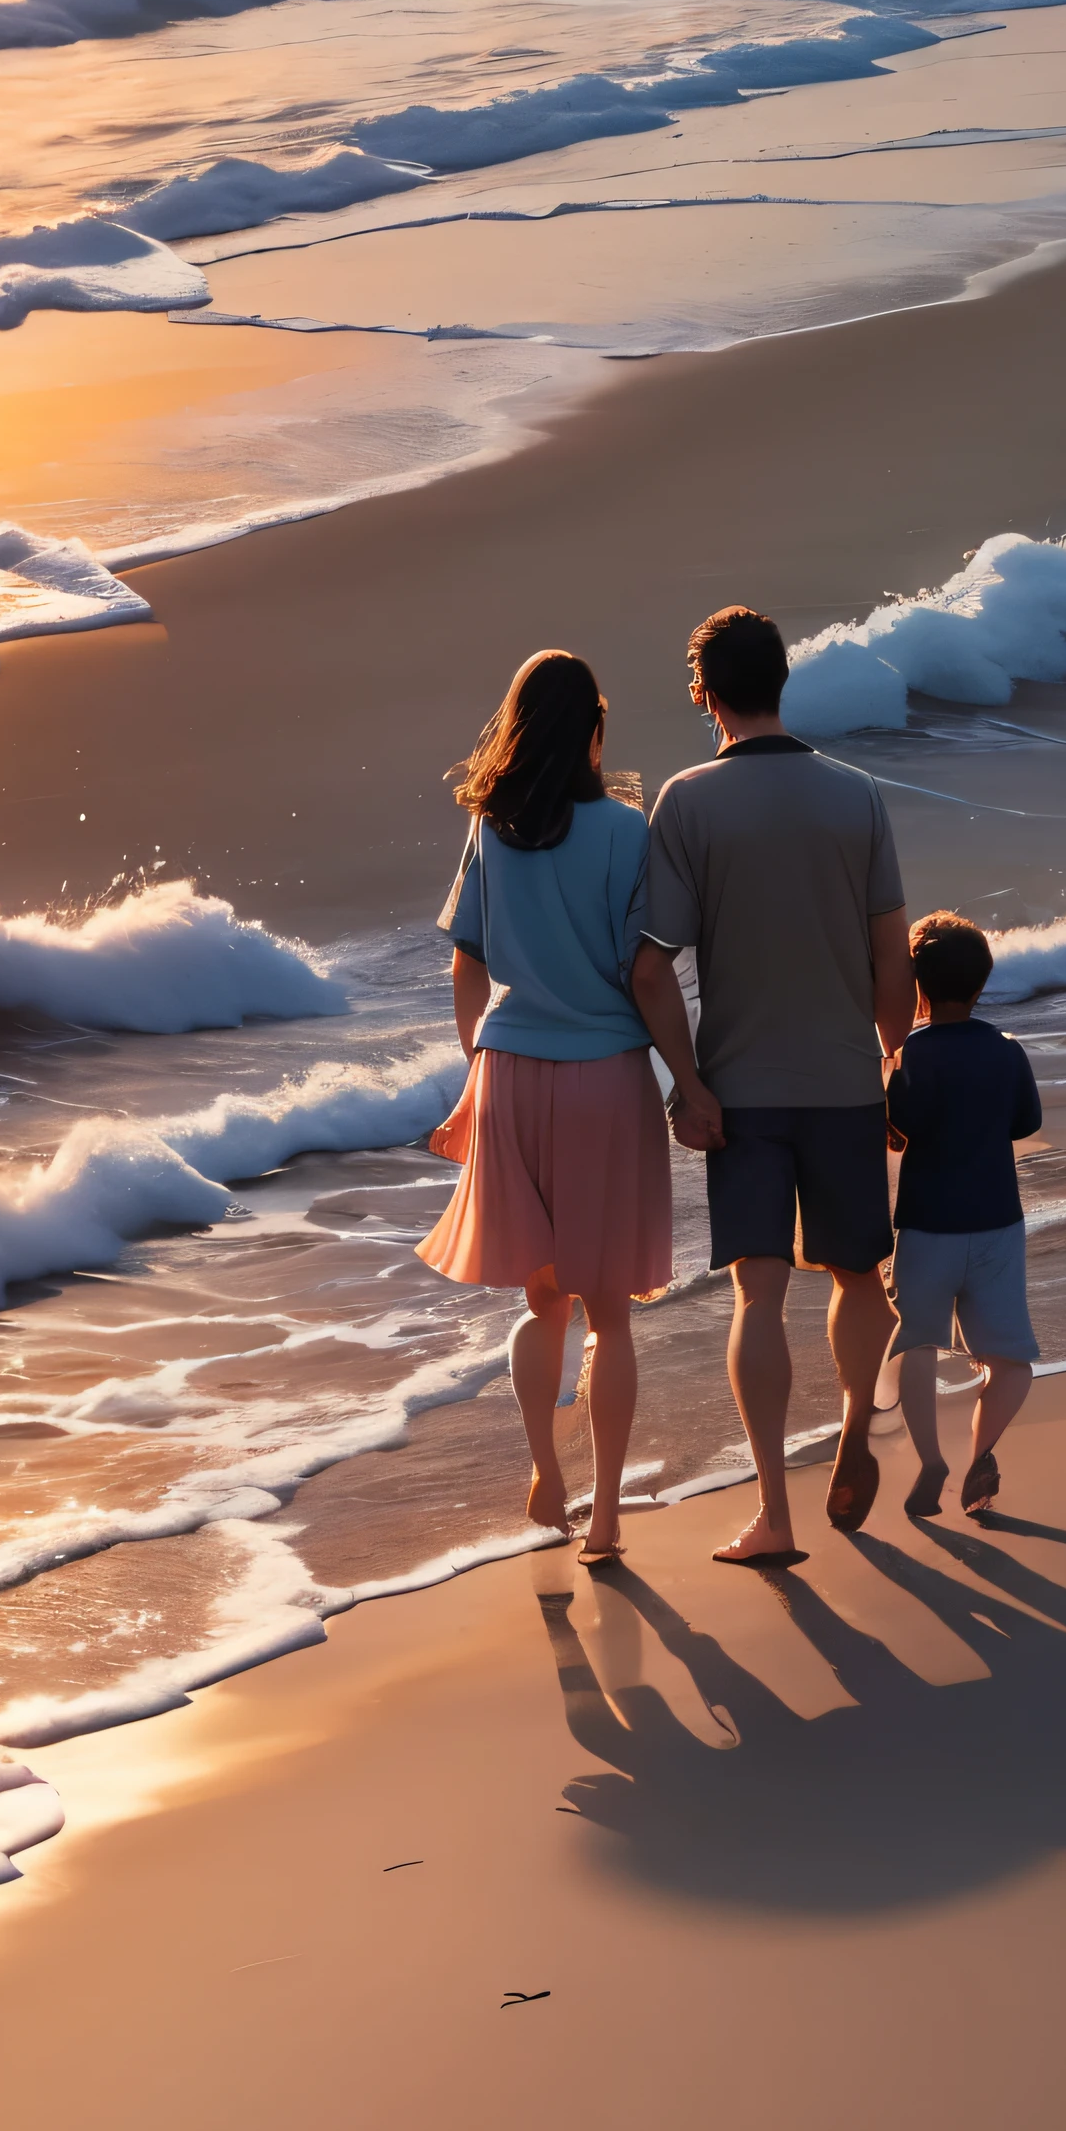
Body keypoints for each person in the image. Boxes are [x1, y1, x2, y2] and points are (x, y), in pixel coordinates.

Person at [628, 605, 913, 1567]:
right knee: (859, 1275)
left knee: (758, 1293)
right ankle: (849, 1433)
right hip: (843, 1079)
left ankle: (774, 1518)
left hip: (743, 1088)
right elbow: (891, 956)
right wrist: (894, 1062)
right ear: (783, 681)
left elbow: (652, 966)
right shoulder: (858, 795)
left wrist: (689, 1082)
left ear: (703, 690)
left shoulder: (687, 801)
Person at [418, 648, 690, 1564]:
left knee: (544, 1303)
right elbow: (645, 975)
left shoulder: (491, 831)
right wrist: (689, 1081)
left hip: (511, 1074)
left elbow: (468, 962)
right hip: (606, 1074)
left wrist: (479, 1068)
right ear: (593, 732)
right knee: (612, 1313)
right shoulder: (626, 832)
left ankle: (546, 1472)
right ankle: (606, 1517)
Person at [883, 910, 1043, 1524]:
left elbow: (902, 1125)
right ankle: (984, 1451)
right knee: (1010, 1361)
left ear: (917, 987)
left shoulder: (913, 1054)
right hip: (998, 1222)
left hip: (926, 1226)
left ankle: (931, 1460)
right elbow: (1025, 1123)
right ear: (982, 985)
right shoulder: (1006, 1050)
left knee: (918, 1344)